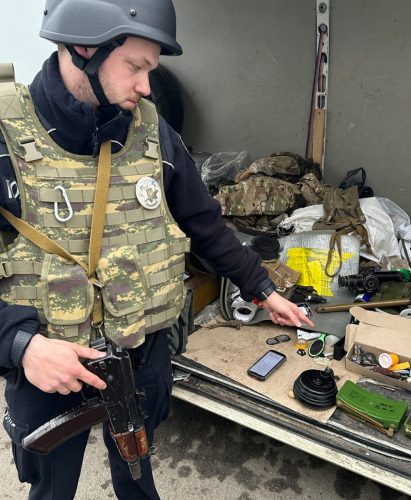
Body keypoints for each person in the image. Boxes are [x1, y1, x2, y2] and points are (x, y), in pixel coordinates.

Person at [0, 1, 314, 498]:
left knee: (138, 477)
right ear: (83, 48)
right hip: (50, 366)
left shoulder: (151, 131)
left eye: (151, 70)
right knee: (52, 490)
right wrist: (22, 346)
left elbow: (203, 223)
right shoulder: (6, 137)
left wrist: (261, 287)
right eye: (136, 67)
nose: (147, 87)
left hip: (139, 354)